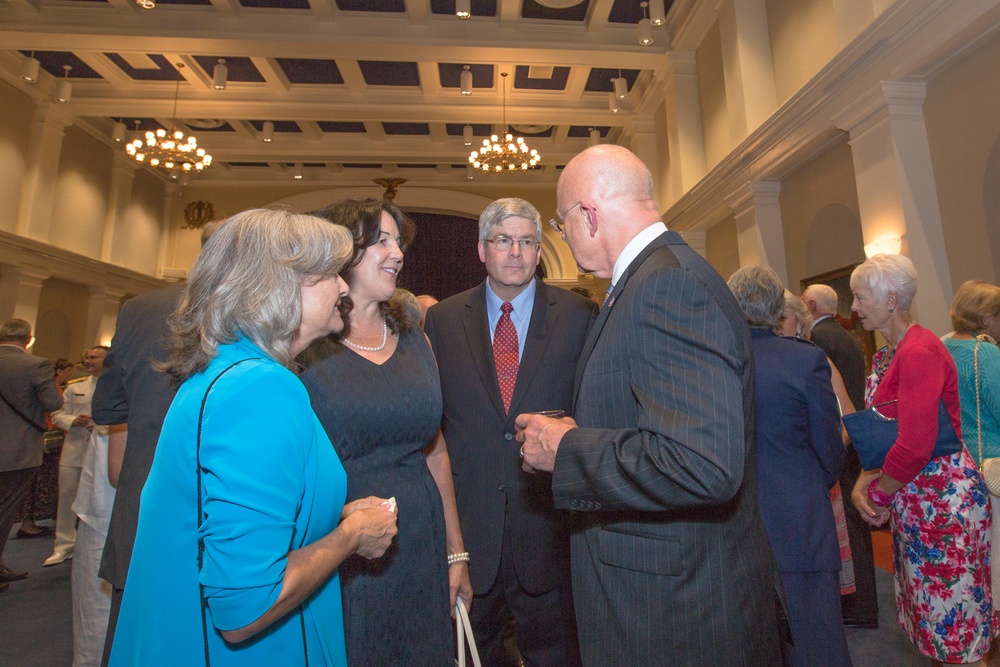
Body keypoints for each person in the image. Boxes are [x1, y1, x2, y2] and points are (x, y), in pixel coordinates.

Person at [516, 145, 782, 665]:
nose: (563, 235)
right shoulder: (645, 281)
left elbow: (702, 464)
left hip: (677, 616)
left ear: (588, 215)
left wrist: (569, 448)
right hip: (664, 597)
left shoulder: (668, 285)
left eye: (561, 221)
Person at [107, 209, 398, 665]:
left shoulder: (229, 371)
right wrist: (352, 536)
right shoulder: (261, 389)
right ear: (274, 288)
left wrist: (332, 515)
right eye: (327, 274)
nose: (344, 287)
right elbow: (246, 605)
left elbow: (230, 516)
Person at [424, 197, 597, 666]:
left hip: (550, 530)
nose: (516, 252)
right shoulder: (442, 321)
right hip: (472, 537)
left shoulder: (579, 316)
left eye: (526, 242)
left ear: (540, 252)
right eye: (504, 241)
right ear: (482, 250)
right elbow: (433, 428)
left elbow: (593, 415)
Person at [300, 198, 471, 666]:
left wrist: (456, 554)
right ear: (342, 252)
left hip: (421, 540)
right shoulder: (304, 348)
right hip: (340, 548)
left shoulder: (418, 339)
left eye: (399, 242)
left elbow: (435, 453)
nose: (398, 253)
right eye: (382, 241)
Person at [850, 254, 994, 666]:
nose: (855, 308)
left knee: (958, 637)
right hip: (922, 504)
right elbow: (887, 432)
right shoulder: (892, 353)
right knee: (939, 629)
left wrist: (876, 497)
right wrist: (868, 481)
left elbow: (915, 445)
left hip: (943, 508)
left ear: (891, 299)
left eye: (860, 298)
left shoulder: (918, 350)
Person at [93, 220, 220, 665]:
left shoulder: (139, 309)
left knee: (135, 644)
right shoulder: (263, 314)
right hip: (222, 518)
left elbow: (108, 408)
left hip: (142, 510)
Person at [729, 266, 852, 667]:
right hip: (799, 520)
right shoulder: (805, 360)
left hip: (733, 519)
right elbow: (830, 447)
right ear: (777, 308)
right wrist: (809, 484)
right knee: (816, 640)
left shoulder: (718, 361)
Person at [801, 282, 879, 628]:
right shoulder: (849, 337)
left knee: (845, 526)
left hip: (837, 440)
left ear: (811, 305)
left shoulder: (817, 343)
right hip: (854, 437)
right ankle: (865, 605)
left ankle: (854, 607)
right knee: (855, 527)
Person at [944, 279, 1000, 647]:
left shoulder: (941, 347)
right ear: (985, 318)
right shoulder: (987, 354)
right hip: (993, 471)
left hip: (956, 474)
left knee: (975, 568)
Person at [0, 318, 64, 592]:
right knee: (4, 512)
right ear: (27, 339)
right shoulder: (35, 365)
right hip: (17, 450)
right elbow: (54, 403)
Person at [46, 346, 107, 567]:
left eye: (94, 357)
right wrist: (73, 421)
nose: (88, 361)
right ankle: (63, 545)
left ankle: (90, 545)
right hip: (74, 451)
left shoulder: (114, 388)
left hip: (101, 452)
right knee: (67, 498)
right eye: (87, 357)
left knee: (97, 499)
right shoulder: (75, 387)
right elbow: (57, 414)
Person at [16, 357, 74, 539]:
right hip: (41, 439)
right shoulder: (51, 390)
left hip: (23, 441)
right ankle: (28, 523)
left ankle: (28, 521)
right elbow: (53, 409)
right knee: (34, 485)